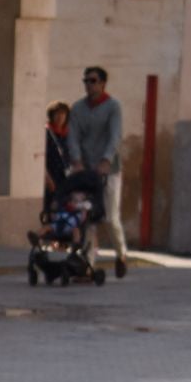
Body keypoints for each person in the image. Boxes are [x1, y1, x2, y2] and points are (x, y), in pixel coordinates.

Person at [69, 65, 128, 278]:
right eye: (86, 81)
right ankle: (88, 264)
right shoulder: (77, 109)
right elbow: (73, 136)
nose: (89, 85)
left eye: (93, 81)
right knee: (88, 218)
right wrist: (76, 161)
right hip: (86, 170)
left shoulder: (113, 107)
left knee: (111, 217)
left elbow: (114, 136)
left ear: (103, 84)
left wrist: (106, 160)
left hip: (109, 171)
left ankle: (121, 254)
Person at [43, 100, 71, 211]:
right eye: (57, 114)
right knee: (50, 210)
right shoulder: (46, 133)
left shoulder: (69, 134)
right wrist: (47, 178)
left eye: (63, 114)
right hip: (50, 179)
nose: (60, 117)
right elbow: (40, 158)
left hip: (65, 179)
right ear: (51, 115)